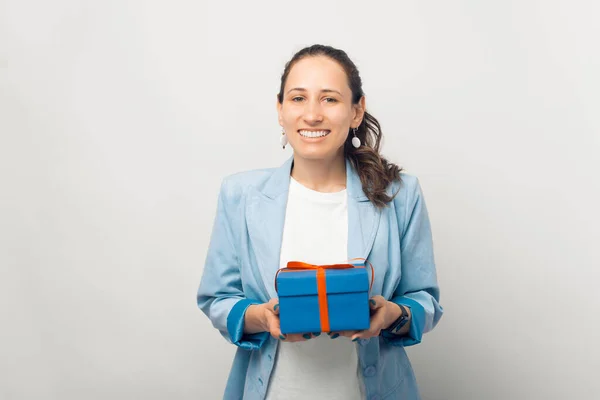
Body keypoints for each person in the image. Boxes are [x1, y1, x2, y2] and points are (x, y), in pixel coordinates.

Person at [197, 44, 444, 400]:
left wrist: (392, 314)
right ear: (280, 110)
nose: (312, 115)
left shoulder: (400, 194)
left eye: (329, 99)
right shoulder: (240, 195)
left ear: (356, 111)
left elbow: (426, 301)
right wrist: (261, 317)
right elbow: (217, 298)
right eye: (298, 99)